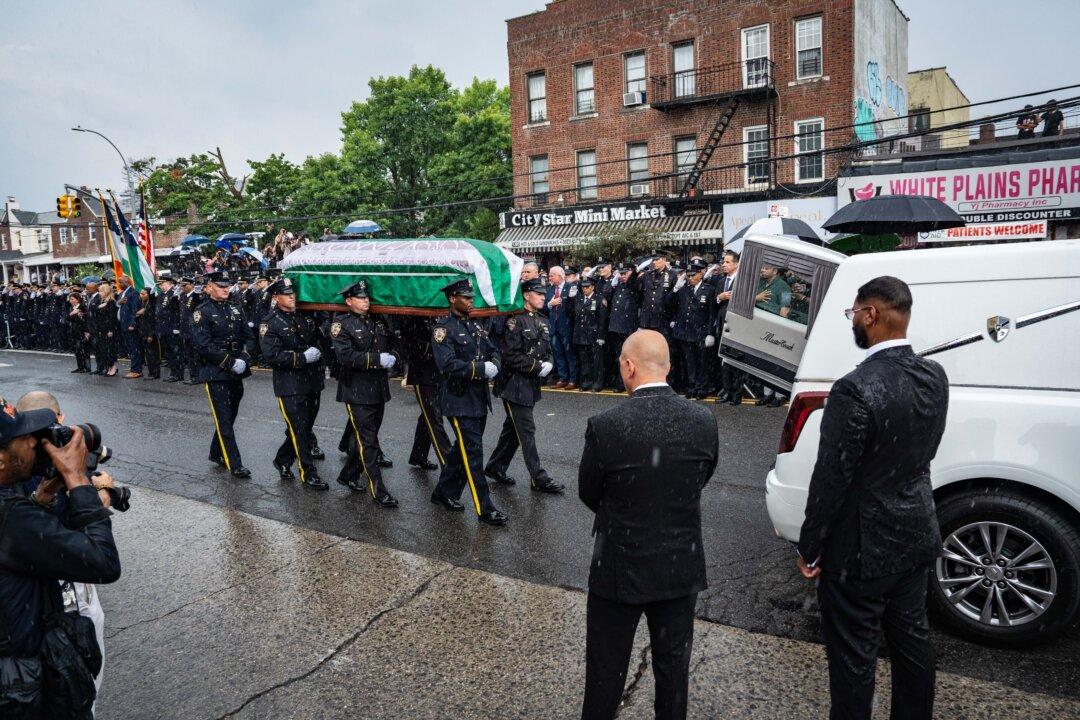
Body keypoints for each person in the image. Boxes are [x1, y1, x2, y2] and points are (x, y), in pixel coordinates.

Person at [796, 276, 949, 720]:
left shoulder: (854, 388)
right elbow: (923, 449)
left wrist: (811, 546)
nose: (853, 323)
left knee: (853, 658)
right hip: (916, 531)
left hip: (862, 549)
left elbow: (831, 478)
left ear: (871, 314)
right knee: (912, 642)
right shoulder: (933, 374)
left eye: (853, 314)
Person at [578, 330, 718, 720]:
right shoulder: (703, 420)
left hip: (619, 565)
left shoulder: (606, 424)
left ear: (628, 366)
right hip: (680, 565)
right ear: (669, 367)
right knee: (673, 675)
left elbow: (589, 492)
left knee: (606, 671)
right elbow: (701, 478)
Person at [0, 397, 121, 719]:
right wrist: (77, 479)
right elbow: (102, 562)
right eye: (22, 439)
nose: (33, 444)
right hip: (21, 684)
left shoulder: (14, 513)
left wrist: (44, 496)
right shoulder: (10, 517)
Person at [430, 278, 507, 526]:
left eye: (472, 297)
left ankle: (443, 493)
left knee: (460, 451)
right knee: (473, 454)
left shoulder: (475, 325)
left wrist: (493, 364)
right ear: (453, 299)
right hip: (458, 399)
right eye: (467, 298)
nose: (471, 301)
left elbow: (494, 349)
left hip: (478, 399)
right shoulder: (443, 329)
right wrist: (479, 369)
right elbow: (447, 364)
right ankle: (485, 508)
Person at [483, 278, 563, 493]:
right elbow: (510, 355)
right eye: (539, 294)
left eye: (543, 294)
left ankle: (495, 466)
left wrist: (549, 363)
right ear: (527, 295)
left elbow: (547, 350)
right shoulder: (514, 321)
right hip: (513, 385)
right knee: (526, 430)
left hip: (530, 385)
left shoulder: (542, 321)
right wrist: (538, 366)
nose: (543, 297)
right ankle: (539, 477)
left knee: (513, 430)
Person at [329, 280, 399, 507]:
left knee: (367, 439)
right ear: (349, 301)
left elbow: (393, 341)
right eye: (360, 298)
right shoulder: (341, 324)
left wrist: (393, 356)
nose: (366, 300)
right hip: (356, 390)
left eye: (367, 297)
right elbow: (346, 357)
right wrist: (379, 360)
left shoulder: (377, 321)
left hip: (378, 389)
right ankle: (379, 491)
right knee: (368, 442)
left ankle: (348, 474)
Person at [260, 277, 328, 491]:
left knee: (303, 429)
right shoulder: (269, 322)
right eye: (287, 294)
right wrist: (302, 358)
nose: (292, 297)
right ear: (276, 297)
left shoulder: (305, 317)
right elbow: (272, 355)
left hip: (311, 381)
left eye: (293, 293)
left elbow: (318, 337)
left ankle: (282, 459)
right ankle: (308, 473)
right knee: (299, 429)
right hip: (289, 384)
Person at [191, 271, 255, 479]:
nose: (225, 289)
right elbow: (203, 345)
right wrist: (229, 362)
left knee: (231, 415)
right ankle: (235, 463)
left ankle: (215, 451)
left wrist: (244, 359)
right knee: (224, 419)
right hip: (216, 372)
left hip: (237, 370)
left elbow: (249, 336)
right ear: (209, 287)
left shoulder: (235, 307)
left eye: (227, 285)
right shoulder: (202, 311)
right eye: (220, 286)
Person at [402, 315, 452, 471]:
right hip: (423, 373)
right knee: (434, 418)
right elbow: (412, 345)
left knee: (428, 416)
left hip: (438, 373)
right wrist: (438, 347)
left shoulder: (441, 317)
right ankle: (450, 464)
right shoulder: (415, 318)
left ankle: (419, 455)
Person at [669, 259, 715, 399]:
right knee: (689, 362)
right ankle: (691, 386)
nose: (690, 278)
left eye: (693, 275)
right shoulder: (683, 289)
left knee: (702, 362)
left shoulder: (709, 290)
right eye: (688, 275)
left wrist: (710, 333)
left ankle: (701, 388)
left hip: (700, 332)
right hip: (686, 332)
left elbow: (711, 314)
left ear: (700, 274)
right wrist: (675, 289)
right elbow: (669, 304)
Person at [712, 251, 745, 406]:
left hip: (736, 326)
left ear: (736, 264)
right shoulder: (720, 280)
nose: (724, 265)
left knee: (735, 361)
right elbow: (714, 301)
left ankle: (737, 393)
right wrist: (720, 297)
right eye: (723, 262)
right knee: (723, 360)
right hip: (722, 325)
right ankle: (727, 390)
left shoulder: (742, 281)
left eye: (727, 262)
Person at [570, 277, 608, 392]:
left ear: (593, 287)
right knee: (584, 360)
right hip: (581, 335)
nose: (584, 289)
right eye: (583, 287)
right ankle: (586, 381)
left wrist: (601, 336)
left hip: (594, 334)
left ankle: (597, 383)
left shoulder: (599, 299)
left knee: (597, 361)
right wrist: (569, 299)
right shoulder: (579, 299)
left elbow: (602, 320)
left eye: (587, 287)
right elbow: (572, 314)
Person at [544, 266, 577, 389]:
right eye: (549, 275)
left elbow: (574, 308)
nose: (550, 277)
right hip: (554, 327)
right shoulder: (550, 290)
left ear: (561, 275)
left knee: (570, 353)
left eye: (552, 275)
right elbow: (543, 307)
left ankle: (573, 379)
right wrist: (550, 304)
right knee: (558, 353)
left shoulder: (571, 288)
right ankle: (563, 378)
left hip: (567, 326)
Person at [117, 276, 142, 379]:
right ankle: (133, 367)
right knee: (130, 348)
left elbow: (134, 310)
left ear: (126, 282)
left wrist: (133, 324)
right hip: (123, 324)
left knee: (134, 347)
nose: (119, 284)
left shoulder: (133, 293)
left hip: (130, 325)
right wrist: (119, 302)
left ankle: (137, 370)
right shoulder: (121, 293)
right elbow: (118, 303)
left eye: (121, 282)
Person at [95, 283, 120, 377]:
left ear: (106, 291)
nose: (99, 293)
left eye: (101, 291)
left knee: (110, 348)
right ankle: (108, 367)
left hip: (109, 328)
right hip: (102, 328)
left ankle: (113, 366)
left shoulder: (111, 302)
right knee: (104, 349)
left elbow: (111, 318)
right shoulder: (101, 302)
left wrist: (110, 329)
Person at [136, 288, 160, 380]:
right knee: (148, 354)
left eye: (143, 294)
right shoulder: (142, 303)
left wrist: (151, 334)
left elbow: (152, 321)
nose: (141, 295)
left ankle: (155, 373)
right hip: (143, 331)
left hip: (150, 332)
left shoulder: (152, 304)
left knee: (153, 353)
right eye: (140, 293)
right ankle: (151, 372)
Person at [67, 289, 91, 374]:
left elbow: (86, 320)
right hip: (74, 330)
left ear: (78, 299)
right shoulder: (71, 308)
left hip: (82, 331)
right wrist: (71, 314)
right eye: (70, 299)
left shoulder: (83, 307)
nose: (71, 301)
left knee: (84, 349)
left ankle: (87, 367)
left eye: (73, 299)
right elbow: (67, 318)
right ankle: (80, 367)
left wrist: (87, 331)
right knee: (77, 350)